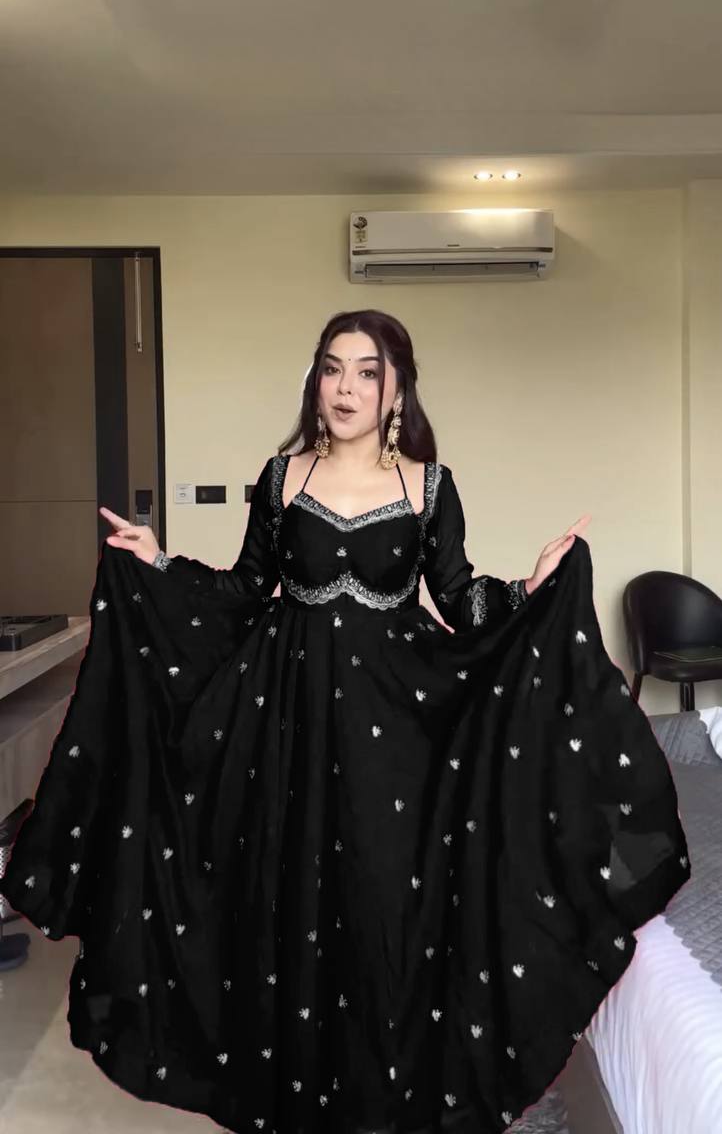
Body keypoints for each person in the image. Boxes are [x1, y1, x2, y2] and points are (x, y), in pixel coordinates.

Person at [2, 309, 690, 1134]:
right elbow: (241, 591)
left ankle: (381, 1096)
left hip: (396, 732)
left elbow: (460, 597)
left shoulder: (428, 486)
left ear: (397, 390)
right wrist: (156, 561)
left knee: (380, 900)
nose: (346, 387)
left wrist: (530, 588)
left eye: (368, 372)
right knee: (286, 902)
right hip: (282, 727)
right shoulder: (282, 477)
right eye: (332, 368)